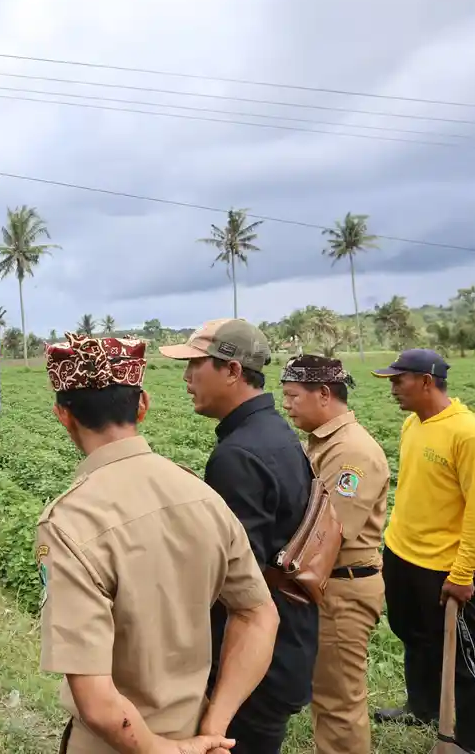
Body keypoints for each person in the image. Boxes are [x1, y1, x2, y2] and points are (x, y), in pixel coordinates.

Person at [38, 332, 280, 754]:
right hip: (198, 734)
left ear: (63, 415)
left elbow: (96, 701)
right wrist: (214, 726)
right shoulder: (201, 495)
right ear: (143, 405)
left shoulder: (71, 521)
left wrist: (161, 750)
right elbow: (259, 614)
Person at [160, 319, 318, 754]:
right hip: (287, 645)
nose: (187, 378)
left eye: (196, 365)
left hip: (254, 664)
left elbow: (235, 584)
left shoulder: (239, 455)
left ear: (232, 371)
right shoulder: (274, 434)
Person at [371, 349, 475, 754]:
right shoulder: (413, 423)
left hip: (443, 568)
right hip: (402, 555)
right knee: (412, 636)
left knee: (464, 658)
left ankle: (468, 742)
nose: (392, 388)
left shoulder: (468, 435)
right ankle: (421, 707)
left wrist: (463, 575)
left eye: (398, 380)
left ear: (426, 381)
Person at [278, 355, 391, 754]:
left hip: (342, 589)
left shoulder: (352, 453)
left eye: (292, 396)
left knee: (340, 703)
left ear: (323, 394)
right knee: (326, 693)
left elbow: (328, 533)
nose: (286, 405)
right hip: (328, 586)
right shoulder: (326, 443)